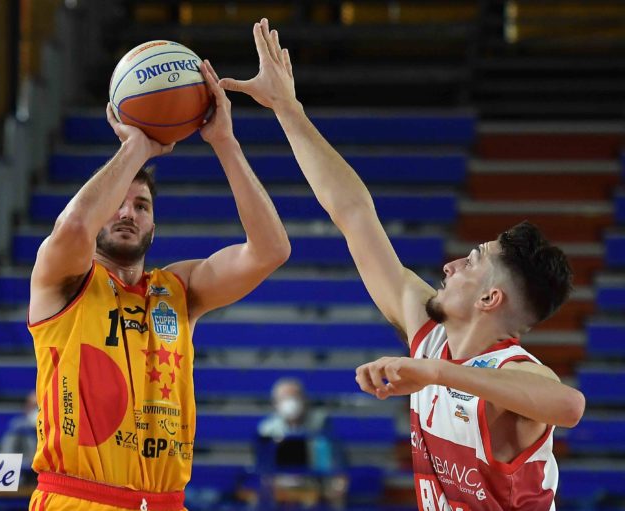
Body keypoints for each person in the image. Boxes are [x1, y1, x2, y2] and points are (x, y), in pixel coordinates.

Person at [221, 18, 586, 510]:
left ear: (489, 298)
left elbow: (569, 405)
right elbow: (354, 214)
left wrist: (436, 373)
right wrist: (288, 109)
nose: (451, 266)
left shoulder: (513, 372)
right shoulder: (429, 335)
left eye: (472, 261)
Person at [27, 59, 290, 511]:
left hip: (166, 501)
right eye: (118, 202)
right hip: (78, 498)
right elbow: (73, 228)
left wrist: (224, 142)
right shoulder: (63, 277)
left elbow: (271, 250)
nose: (128, 213)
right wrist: (136, 148)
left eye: (142, 206)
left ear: (155, 227)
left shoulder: (179, 289)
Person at [257, 378, 347, 508]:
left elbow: (334, 460)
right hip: (281, 484)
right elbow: (264, 469)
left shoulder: (321, 422)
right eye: (284, 398)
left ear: (304, 399)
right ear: (275, 403)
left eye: (294, 397)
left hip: (316, 482)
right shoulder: (267, 429)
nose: (290, 402)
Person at [0, 391, 39, 488]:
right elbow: (6, 455)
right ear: (26, 407)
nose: (36, 410)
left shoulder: (52, 428)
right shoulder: (17, 427)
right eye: (33, 406)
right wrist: (27, 461)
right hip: (24, 477)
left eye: (38, 406)